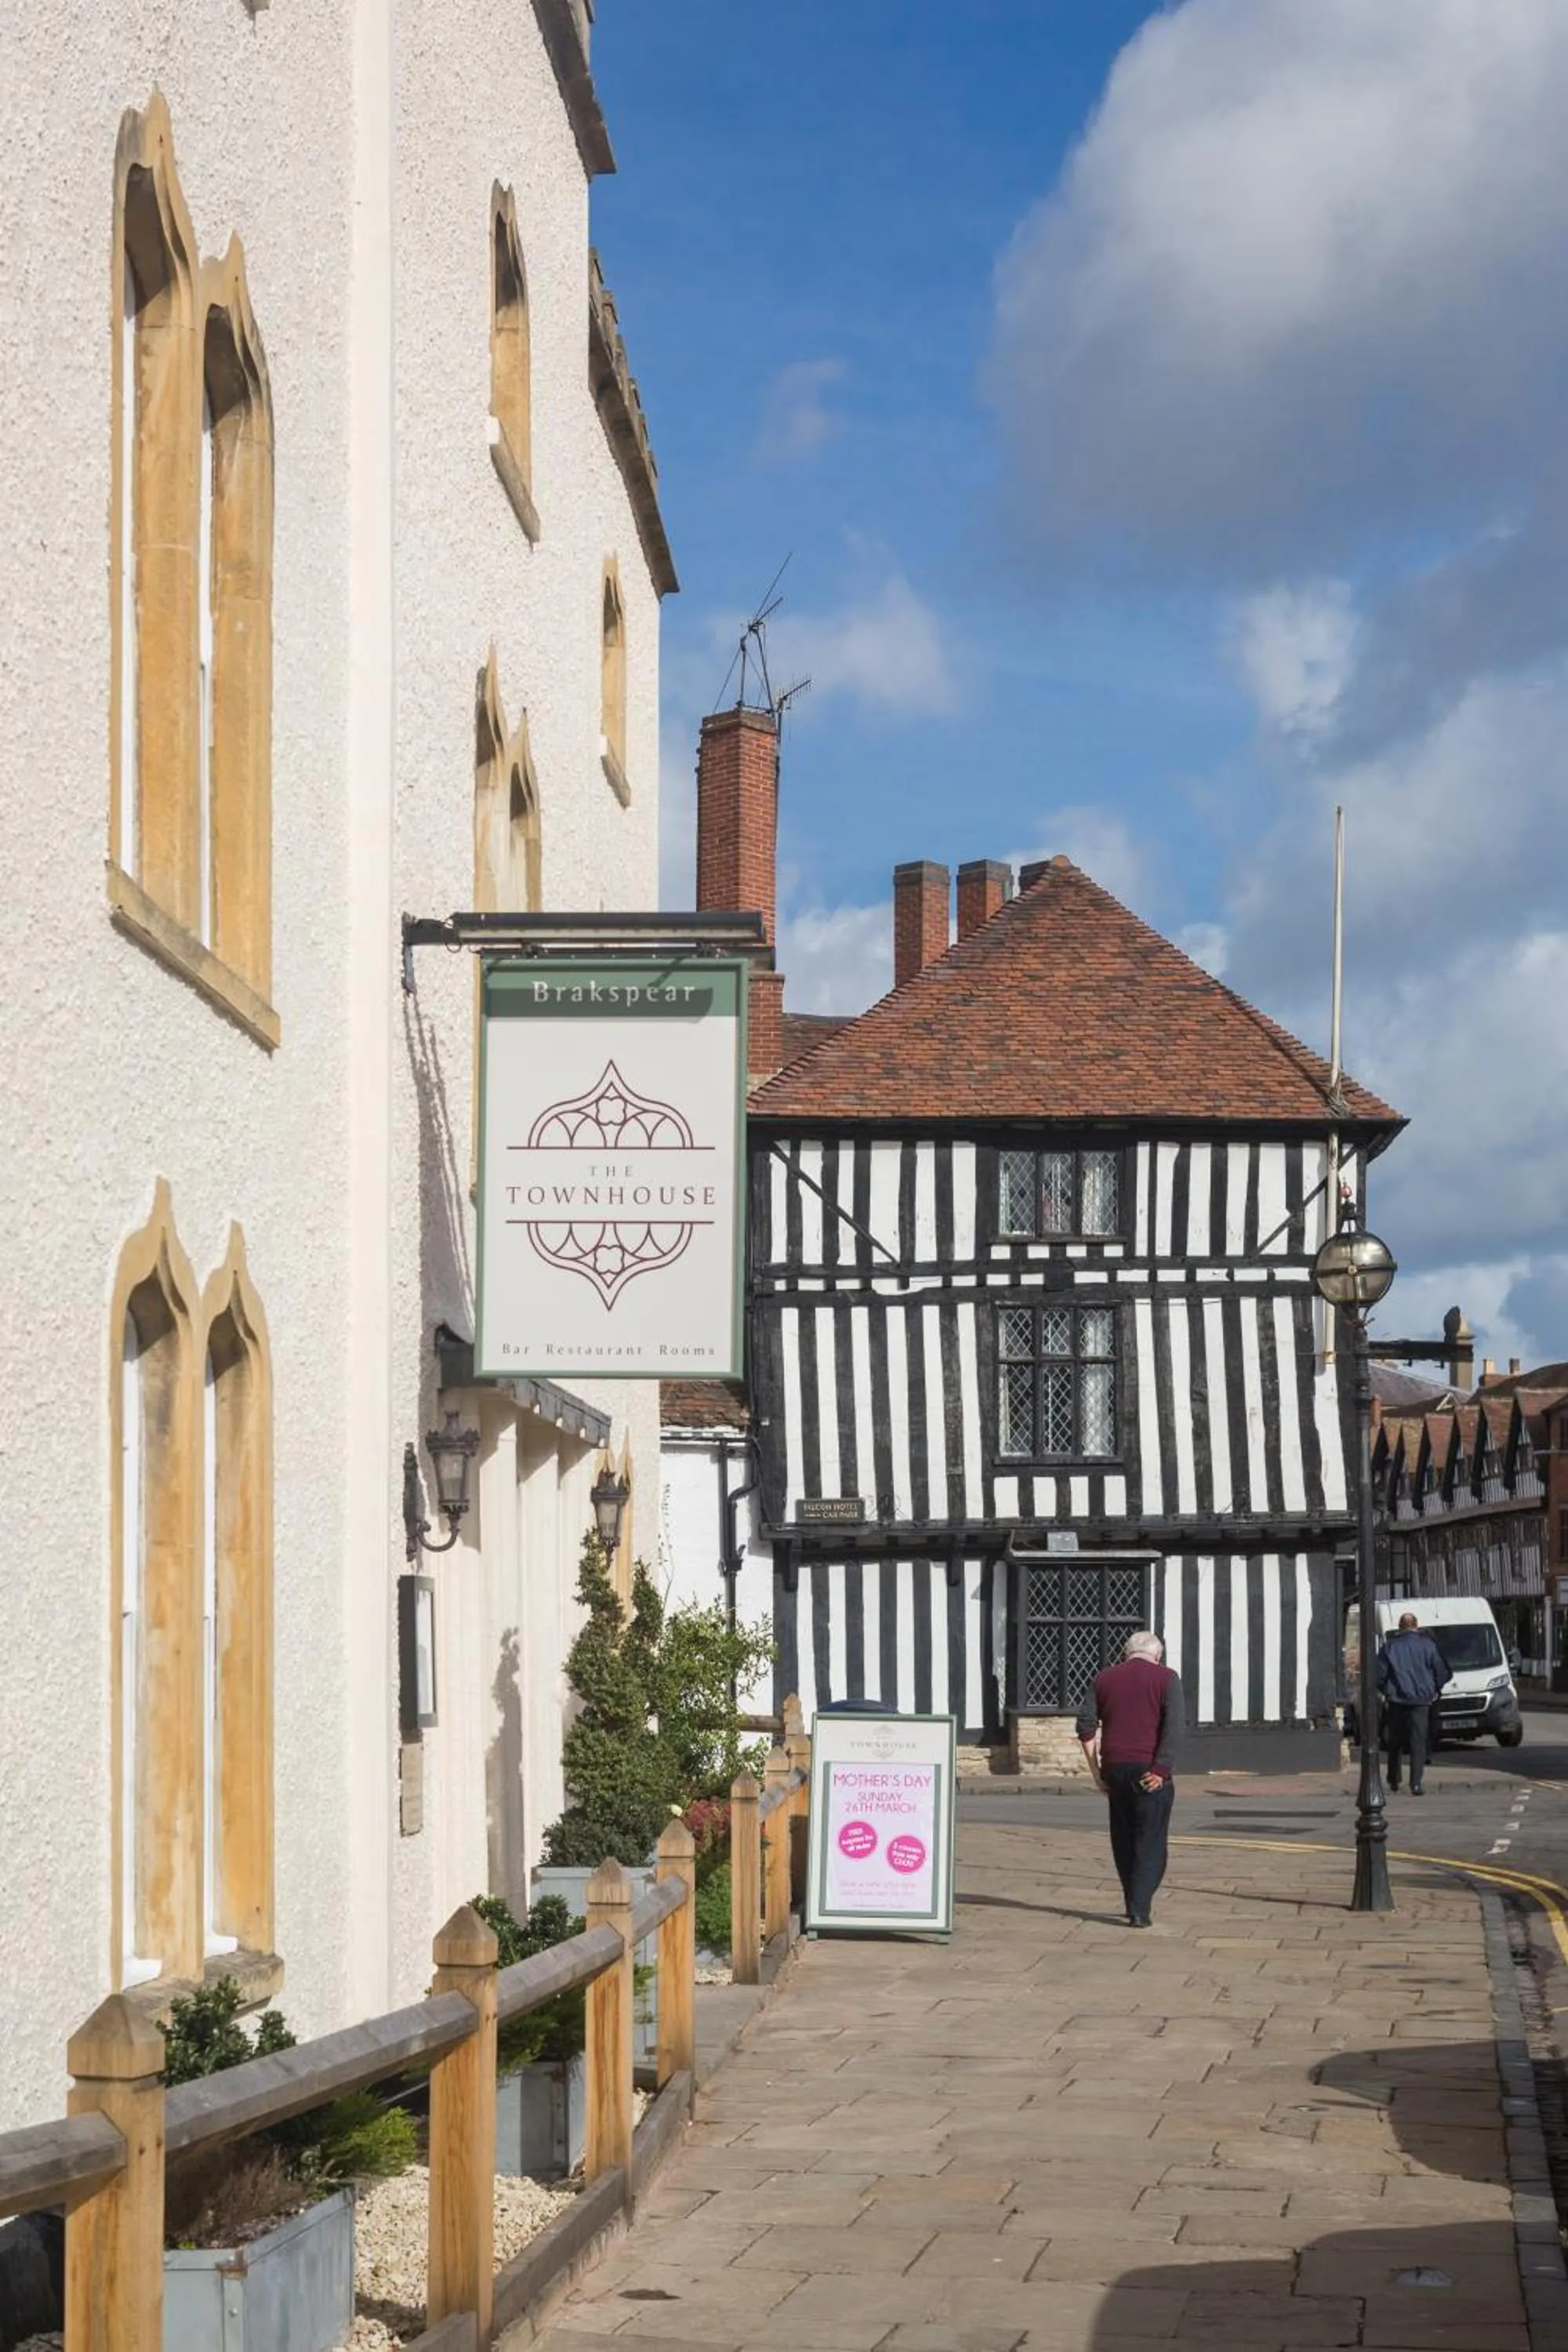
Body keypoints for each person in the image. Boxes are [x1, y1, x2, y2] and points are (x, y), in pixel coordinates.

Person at [1076, 1630, 1185, 1927]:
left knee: (1123, 1838)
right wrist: (1161, 1769)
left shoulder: (1104, 1679)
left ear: (1126, 1653)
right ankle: (1140, 1909)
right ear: (1157, 1655)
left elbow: (1085, 1726)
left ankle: (1131, 1901)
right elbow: (1174, 1729)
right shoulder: (1166, 1678)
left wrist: (1097, 1772)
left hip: (1115, 1768)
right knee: (1150, 1840)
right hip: (1149, 1770)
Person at [1375, 1611, 1451, 1795]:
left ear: (1400, 1627)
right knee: (1418, 1742)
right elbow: (1442, 1672)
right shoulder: (1428, 1646)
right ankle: (1415, 1783)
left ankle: (1394, 1779)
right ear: (1416, 1626)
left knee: (1395, 1742)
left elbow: (1379, 1675)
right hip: (1421, 1702)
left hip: (1397, 1700)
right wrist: (1435, 1689)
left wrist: (1386, 1691)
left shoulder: (1390, 1647)